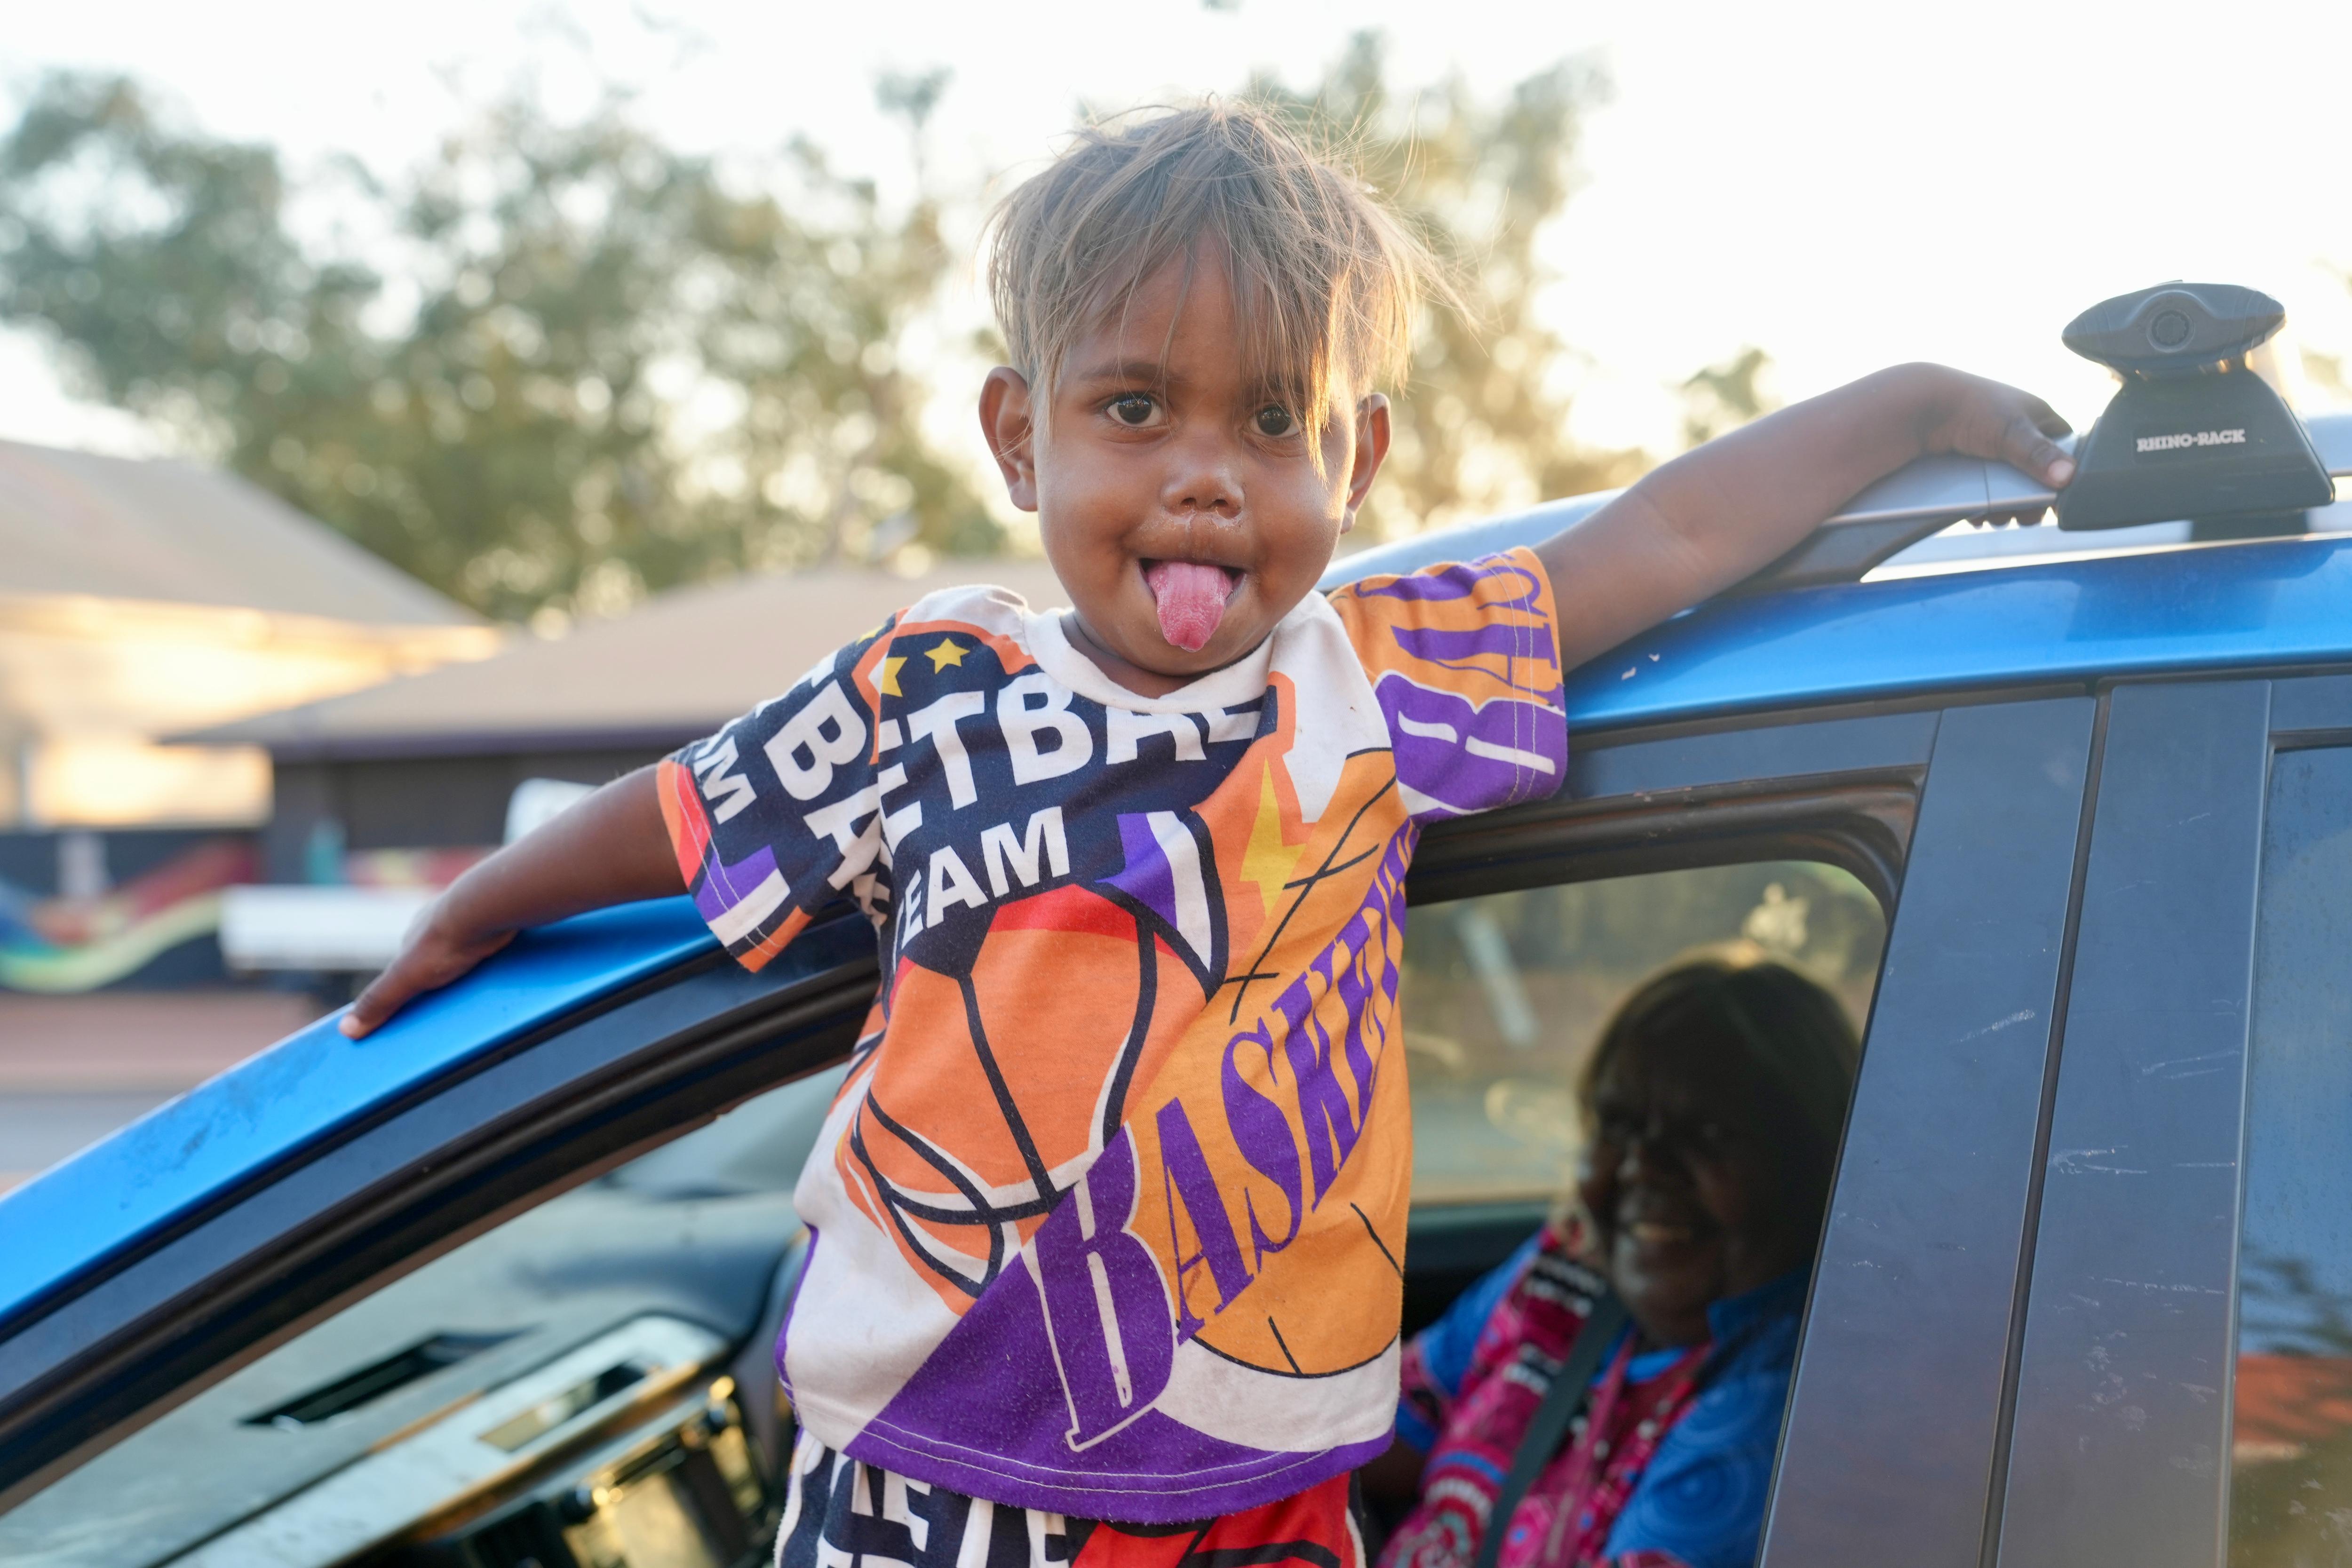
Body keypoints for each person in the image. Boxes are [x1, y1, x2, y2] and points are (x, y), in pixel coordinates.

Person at [338, 103, 2069, 1568]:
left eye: (1272, 421)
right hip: (936, 1467)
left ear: (1359, 456)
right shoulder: (932, 697)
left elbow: (1673, 531)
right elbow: (699, 806)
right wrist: (487, 898)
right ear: (1021, 435)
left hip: (1259, 1471)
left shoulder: (1375, 685)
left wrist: (1912, 405)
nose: (1205, 477)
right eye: (1135, 407)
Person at [1368, 955, 1861, 1568]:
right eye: (1620, 1127)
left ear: (1809, 1165)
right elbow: (1373, 1436)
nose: (1641, 1166)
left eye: (1705, 1134)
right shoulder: (1569, 1268)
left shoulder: (1775, 1414)